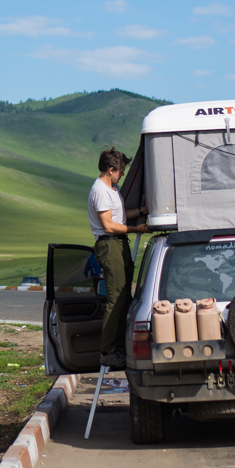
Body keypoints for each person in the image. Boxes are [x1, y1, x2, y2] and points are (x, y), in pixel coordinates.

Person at [88, 146, 133, 366]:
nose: (122, 174)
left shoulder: (113, 190)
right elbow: (108, 225)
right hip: (110, 243)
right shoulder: (101, 191)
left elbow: (119, 216)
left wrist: (141, 212)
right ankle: (107, 351)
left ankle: (121, 345)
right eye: (121, 170)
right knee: (116, 297)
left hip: (119, 242)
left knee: (125, 296)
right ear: (111, 170)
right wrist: (137, 229)